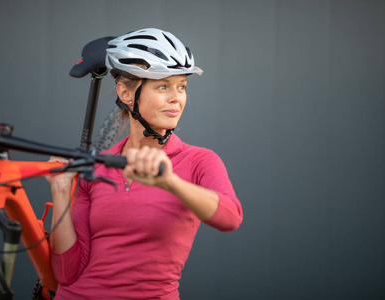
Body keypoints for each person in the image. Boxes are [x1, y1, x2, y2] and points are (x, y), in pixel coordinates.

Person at [45, 28, 243, 299]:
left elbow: (231, 217)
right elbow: (67, 272)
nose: (177, 97)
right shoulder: (98, 166)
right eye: (163, 86)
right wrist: (59, 190)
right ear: (126, 94)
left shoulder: (199, 161)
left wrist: (170, 182)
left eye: (182, 86)